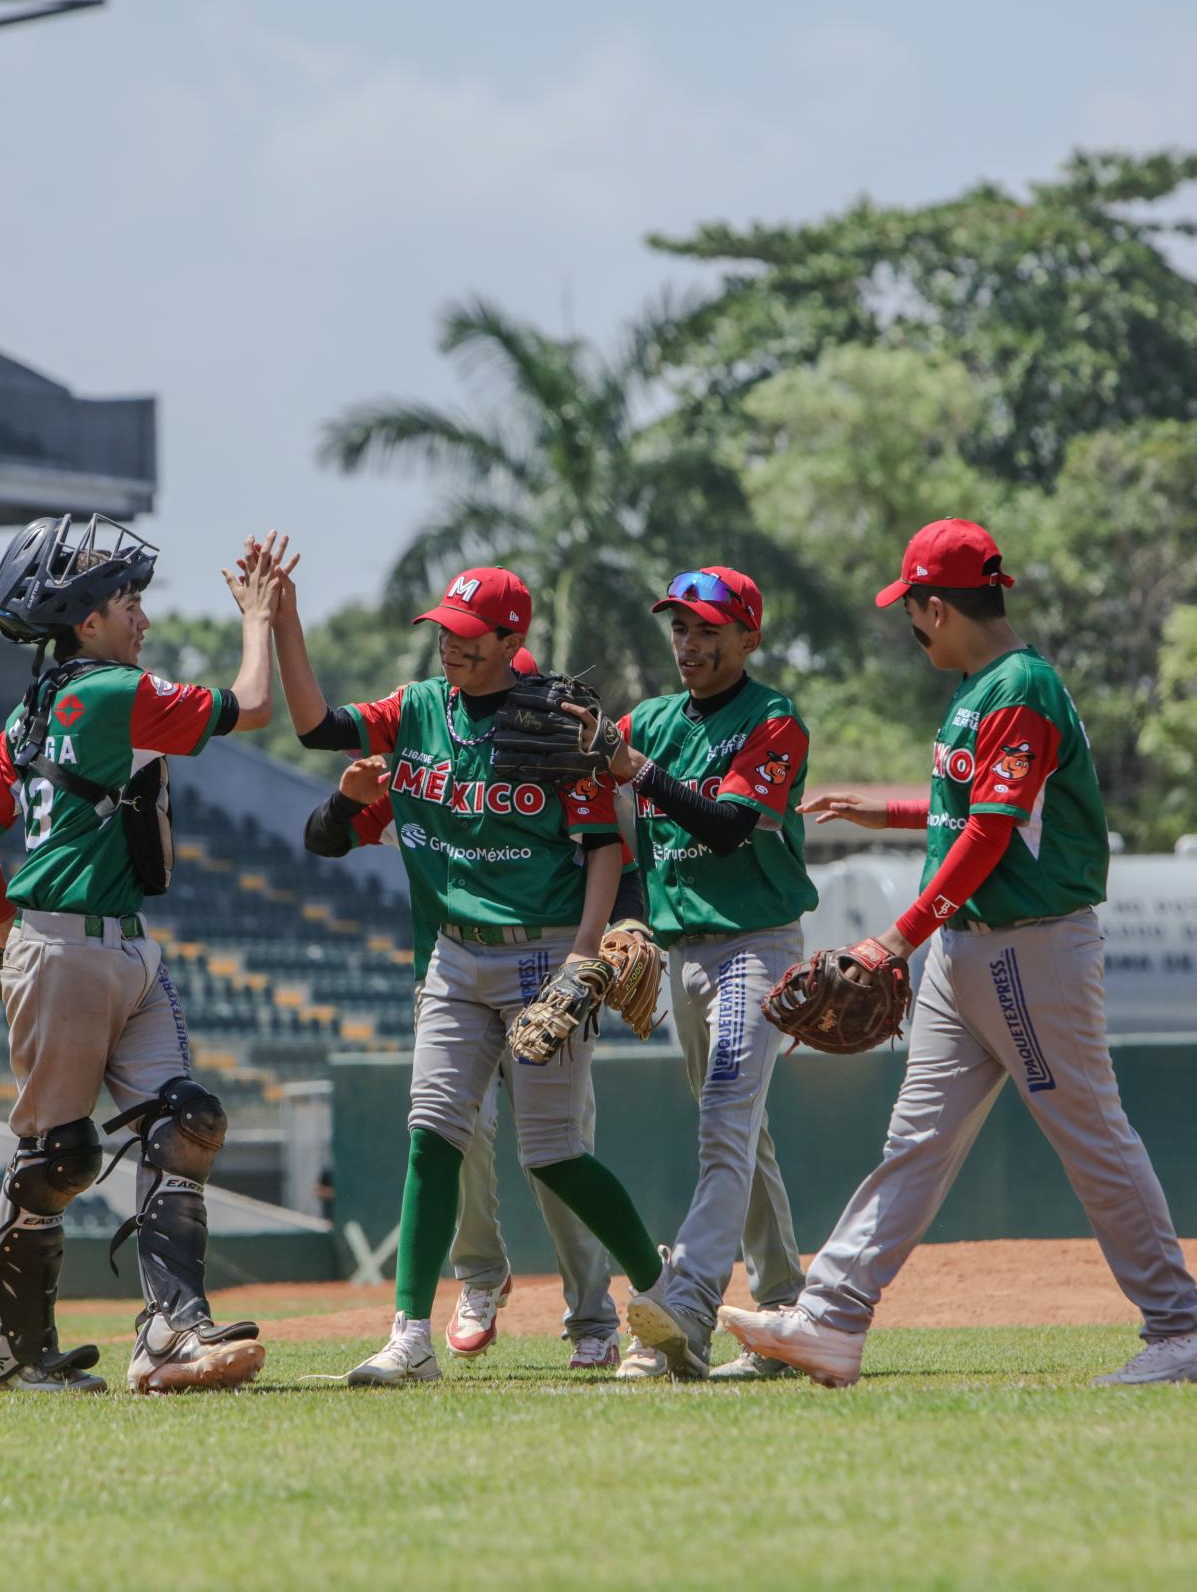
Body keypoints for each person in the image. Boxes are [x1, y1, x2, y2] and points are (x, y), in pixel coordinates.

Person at [718, 518, 1197, 1388]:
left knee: (1092, 1138)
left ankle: (1184, 1331)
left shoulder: (1020, 687)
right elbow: (973, 812)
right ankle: (833, 1318)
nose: (910, 627)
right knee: (915, 1138)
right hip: (969, 951)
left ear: (935, 604)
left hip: (1028, 951)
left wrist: (895, 938)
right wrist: (883, 816)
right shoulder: (982, 688)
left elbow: (995, 833)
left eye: (911, 611)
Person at [271, 560, 685, 1384]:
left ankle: (663, 1289)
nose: (450, 648)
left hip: (542, 951)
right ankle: (408, 1337)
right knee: (432, 1136)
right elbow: (317, 727)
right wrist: (282, 621)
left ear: (510, 640)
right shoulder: (418, 708)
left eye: (466, 637)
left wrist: (583, 959)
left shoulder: (555, 724)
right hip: (453, 956)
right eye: (444, 634)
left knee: (555, 1154)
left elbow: (606, 849)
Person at [0, 516, 291, 1394]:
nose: (140, 614)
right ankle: (13, 1351)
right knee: (53, 1157)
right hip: (67, 948)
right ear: (85, 620)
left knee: (185, 1123)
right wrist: (258, 617)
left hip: (112, 942)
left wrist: (1, 927)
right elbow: (253, 707)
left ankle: (173, 1334)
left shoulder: (32, 710)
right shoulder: (109, 694)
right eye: (125, 599)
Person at [304, 736, 625, 1372]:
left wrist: (601, 944)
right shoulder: (432, 784)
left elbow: (618, 864)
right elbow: (324, 837)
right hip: (449, 983)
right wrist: (345, 798)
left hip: (547, 979)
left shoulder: (563, 778)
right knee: (458, 1137)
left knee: (559, 1154)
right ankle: (481, 1275)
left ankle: (593, 1314)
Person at [570, 566, 812, 1381]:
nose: (690, 642)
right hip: (684, 954)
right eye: (679, 627)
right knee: (745, 1135)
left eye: (708, 628)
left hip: (756, 945)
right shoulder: (655, 720)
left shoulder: (772, 719)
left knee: (722, 1127)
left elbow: (725, 827)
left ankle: (689, 1308)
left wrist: (634, 768)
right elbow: (609, 828)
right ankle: (784, 1312)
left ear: (750, 636)